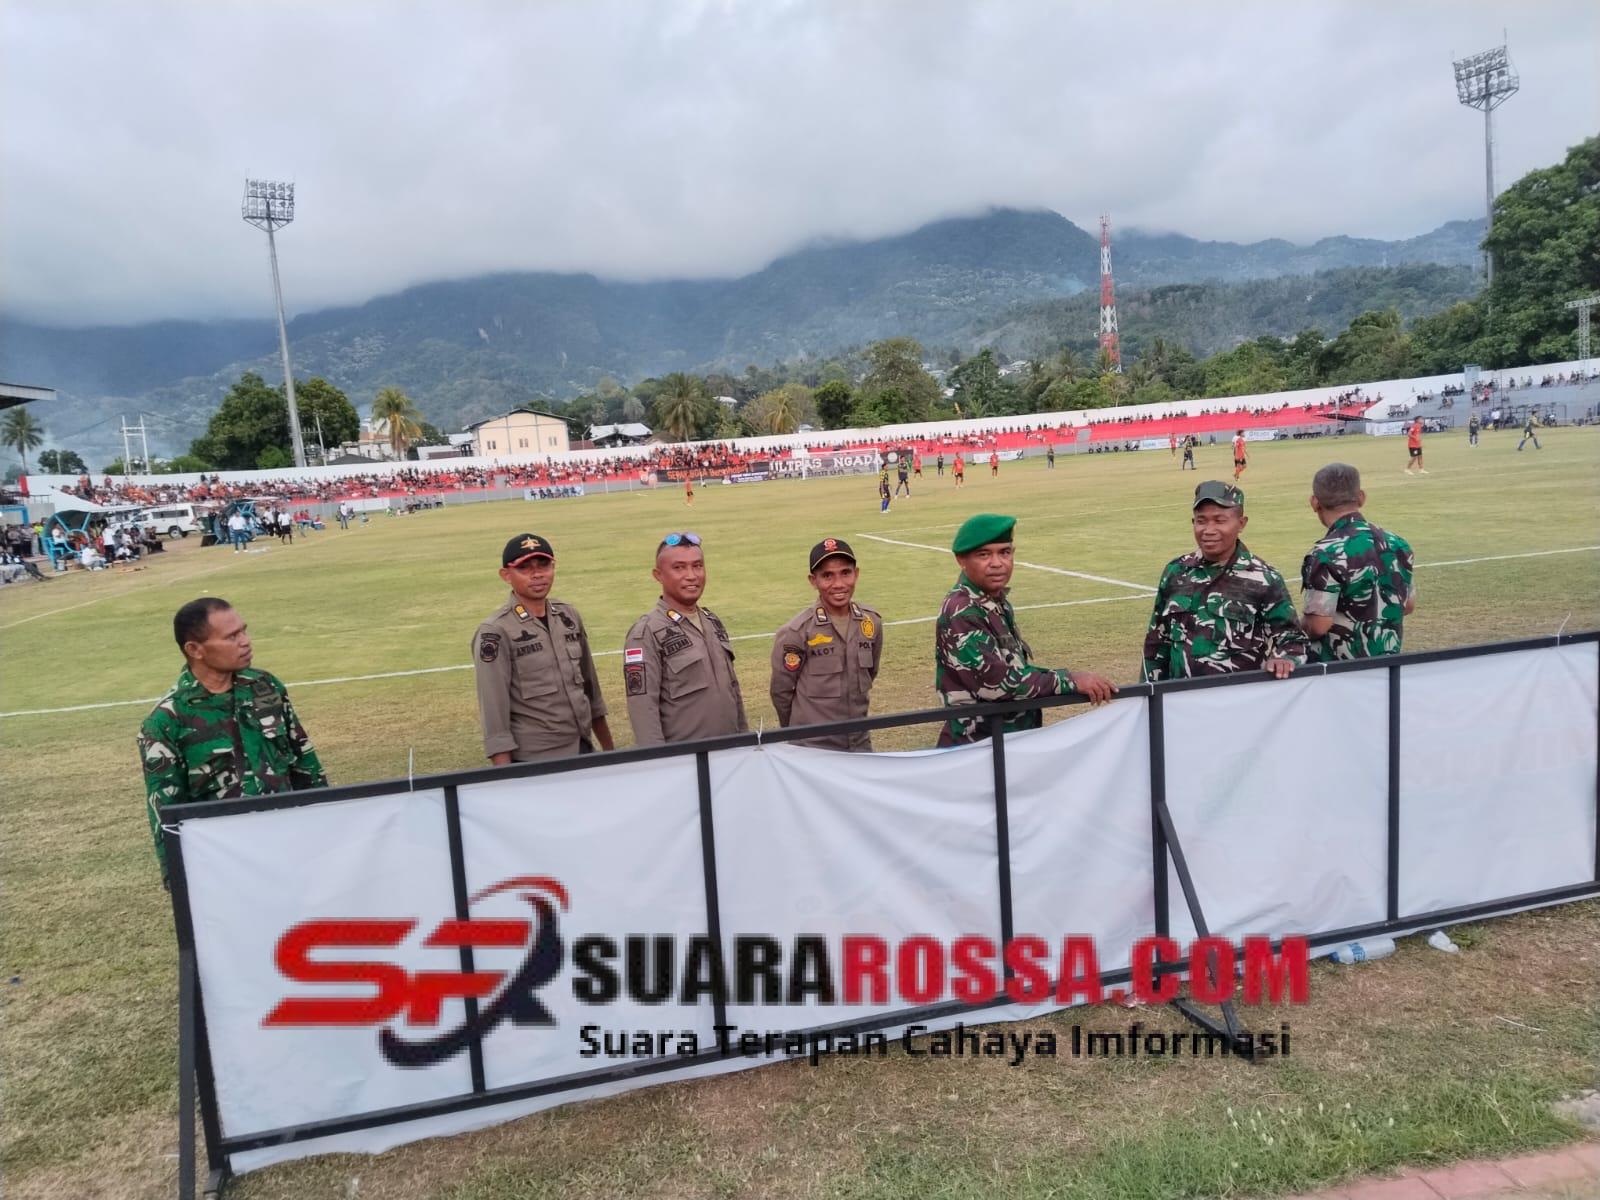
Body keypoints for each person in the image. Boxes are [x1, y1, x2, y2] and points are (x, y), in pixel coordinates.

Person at [138, 597, 327, 883]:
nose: (245, 641)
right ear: (195, 649)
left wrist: (327, 831)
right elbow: (166, 813)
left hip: (291, 848)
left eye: (244, 631)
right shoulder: (166, 722)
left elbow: (306, 766)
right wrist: (177, 881)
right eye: (231, 637)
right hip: (227, 867)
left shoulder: (266, 687)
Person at [935, 514, 1117, 747]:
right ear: (961, 559)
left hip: (1006, 742)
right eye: (984, 555)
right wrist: (1069, 680)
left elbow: (1014, 669)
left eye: (1005, 552)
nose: (997, 563)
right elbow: (997, 684)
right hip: (978, 747)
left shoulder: (993, 601)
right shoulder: (963, 610)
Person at [1141, 481, 1308, 681]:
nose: (1209, 530)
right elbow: (1156, 644)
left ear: (1241, 523)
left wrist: (1284, 658)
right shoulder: (1175, 572)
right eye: (1201, 521)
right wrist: (1148, 691)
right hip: (1181, 698)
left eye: (1220, 520)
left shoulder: (1264, 578)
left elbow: (1293, 640)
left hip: (1239, 697)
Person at [473, 533, 613, 763]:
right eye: (524, 568)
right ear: (506, 575)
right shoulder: (496, 631)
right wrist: (507, 776)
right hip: (535, 761)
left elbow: (592, 692)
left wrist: (610, 753)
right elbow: (494, 718)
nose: (537, 574)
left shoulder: (568, 616)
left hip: (583, 747)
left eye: (543, 565)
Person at [623, 532, 748, 745]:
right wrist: (660, 760)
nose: (691, 575)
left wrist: (744, 742)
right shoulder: (646, 633)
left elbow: (733, 690)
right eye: (679, 568)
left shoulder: (712, 621)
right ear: (658, 575)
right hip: (685, 759)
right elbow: (643, 709)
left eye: (697, 566)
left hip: (730, 753)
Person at [769, 538, 884, 751]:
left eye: (845, 573)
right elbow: (781, 692)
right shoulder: (797, 631)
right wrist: (798, 733)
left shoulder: (871, 623)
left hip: (859, 743)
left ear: (856, 574)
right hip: (813, 747)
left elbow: (870, 673)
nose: (838, 584)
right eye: (827, 576)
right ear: (813, 581)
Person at [1300, 464, 1415, 661]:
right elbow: (1408, 604)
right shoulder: (1397, 543)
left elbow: (1318, 625)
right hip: (1387, 665)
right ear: (1361, 497)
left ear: (1314, 502)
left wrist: (1295, 627)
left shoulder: (1326, 553)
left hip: (1340, 669)